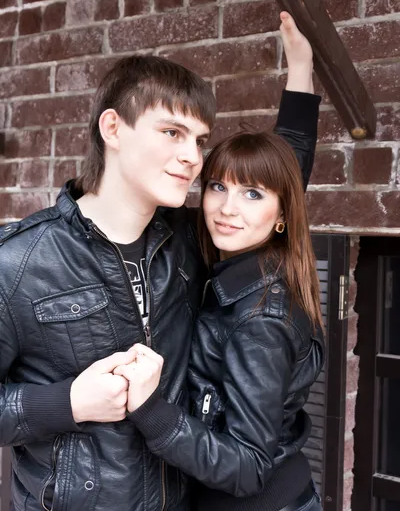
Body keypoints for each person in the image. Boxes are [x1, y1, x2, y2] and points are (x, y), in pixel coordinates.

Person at [0, 13, 320, 511]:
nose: (193, 156)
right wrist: (67, 403)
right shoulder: (17, 262)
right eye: (172, 132)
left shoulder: (190, 238)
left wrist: (301, 72)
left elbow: (280, 184)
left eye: (198, 140)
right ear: (113, 128)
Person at [114, 128, 325, 511]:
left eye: (253, 193)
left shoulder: (261, 319)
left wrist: (151, 410)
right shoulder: (245, 271)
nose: (228, 208)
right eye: (217, 187)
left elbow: (248, 468)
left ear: (282, 215)